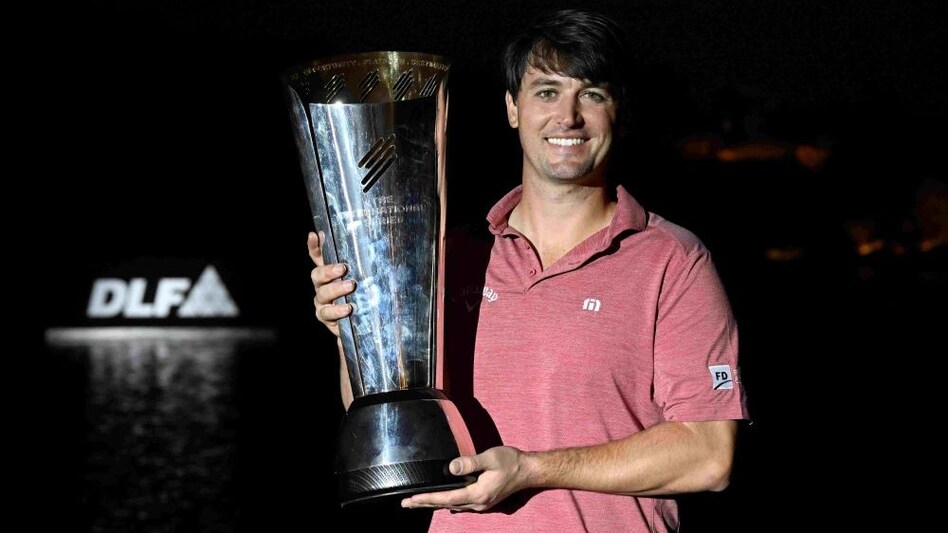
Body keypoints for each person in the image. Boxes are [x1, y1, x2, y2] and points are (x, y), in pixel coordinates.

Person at [308, 9, 749, 532]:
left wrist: (531, 469)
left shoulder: (672, 260)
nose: (568, 117)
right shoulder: (450, 257)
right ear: (512, 109)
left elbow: (708, 456)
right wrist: (352, 331)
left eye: (592, 93)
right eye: (546, 92)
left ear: (618, 112)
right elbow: (390, 424)